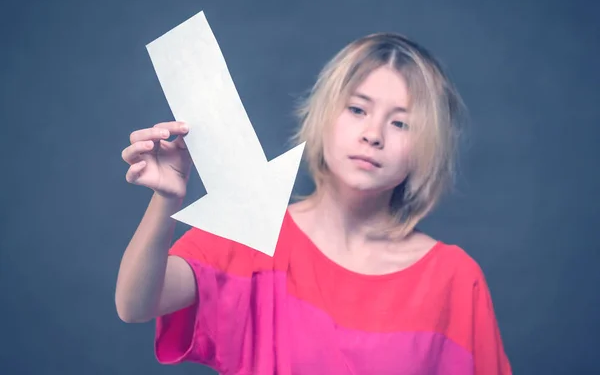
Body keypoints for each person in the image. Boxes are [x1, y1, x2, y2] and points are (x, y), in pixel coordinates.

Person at [116, 32, 512, 374]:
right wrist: (166, 198)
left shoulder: (454, 279)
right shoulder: (256, 233)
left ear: (427, 147)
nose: (373, 134)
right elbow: (136, 304)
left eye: (401, 123)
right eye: (357, 110)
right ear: (325, 116)